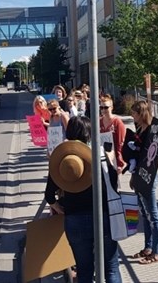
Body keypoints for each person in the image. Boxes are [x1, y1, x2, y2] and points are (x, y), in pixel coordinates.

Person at [45, 116, 122, 283]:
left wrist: (59, 208)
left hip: (75, 220)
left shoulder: (63, 160)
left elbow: (49, 195)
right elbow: (114, 183)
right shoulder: (98, 154)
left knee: (84, 269)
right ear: (89, 133)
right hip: (102, 217)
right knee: (111, 266)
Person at [129, 100, 158, 265]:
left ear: (141, 114)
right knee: (145, 214)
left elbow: (156, 153)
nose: (131, 116)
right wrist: (133, 177)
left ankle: (156, 252)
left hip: (149, 177)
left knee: (153, 215)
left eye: (134, 113)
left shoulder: (149, 130)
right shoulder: (139, 128)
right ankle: (148, 247)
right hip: (139, 176)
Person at [98, 93, 127, 172]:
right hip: (101, 157)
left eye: (106, 107)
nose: (103, 110)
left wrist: (120, 162)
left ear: (111, 107)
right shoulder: (98, 122)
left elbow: (120, 143)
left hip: (113, 157)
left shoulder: (117, 122)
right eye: (101, 107)